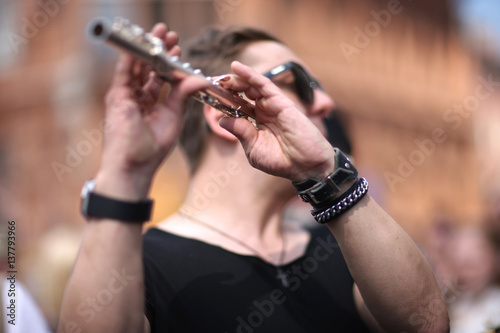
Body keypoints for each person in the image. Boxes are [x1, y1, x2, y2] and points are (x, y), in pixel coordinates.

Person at [57, 22, 449, 332]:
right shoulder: (135, 265)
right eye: (298, 82)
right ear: (224, 110)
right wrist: (124, 178)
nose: (326, 103)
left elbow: (428, 325)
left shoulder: (344, 252)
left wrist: (326, 176)